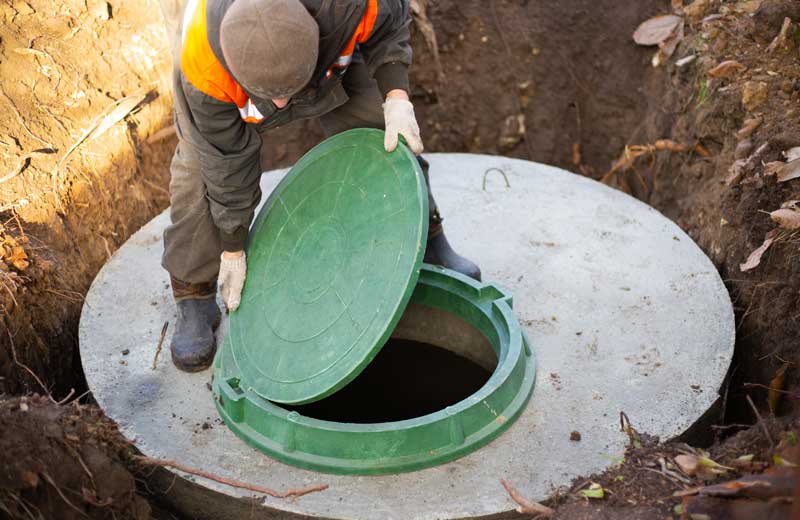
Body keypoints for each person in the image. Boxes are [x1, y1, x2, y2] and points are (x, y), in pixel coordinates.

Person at [164, 0, 481, 372]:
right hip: (229, 88)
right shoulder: (204, 66)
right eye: (274, 97)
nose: (281, 105)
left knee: (381, 133)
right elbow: (226, 162)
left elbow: (390, 25)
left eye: (287, 92)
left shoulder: (349, 6)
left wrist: (396, 96)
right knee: (199, 173)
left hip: (326, 64)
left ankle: (424, 234)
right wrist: (232, 247)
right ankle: (192, 292)